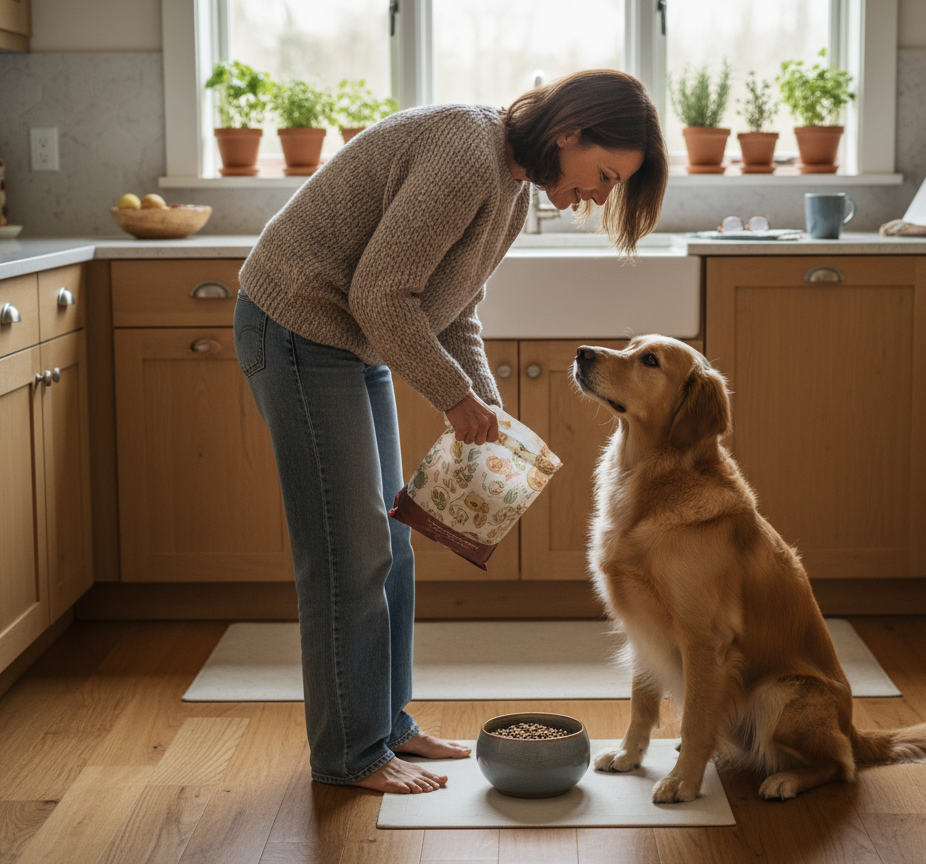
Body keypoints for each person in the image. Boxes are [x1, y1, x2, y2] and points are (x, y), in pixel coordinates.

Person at [233, 69, 668, 795]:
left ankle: (388, 725)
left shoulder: (511, 188)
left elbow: (451, 310)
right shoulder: (467, 153)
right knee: (349, 554)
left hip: (349, 338)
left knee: (391, 545)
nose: (599, 194)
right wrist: (454, 397)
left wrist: (483, 412)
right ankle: (350, 753)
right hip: (298, 327)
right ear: (569, 133)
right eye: (604, 174)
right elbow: (380, 292)